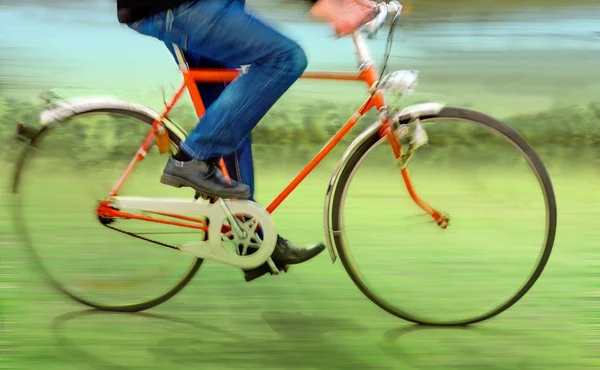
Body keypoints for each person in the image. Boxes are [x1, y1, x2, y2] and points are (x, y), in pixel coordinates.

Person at [116, 0, 376, 281]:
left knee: (233, 114)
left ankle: (251, 240)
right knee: (286, 58)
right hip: (179, 6)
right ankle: (191, 159)